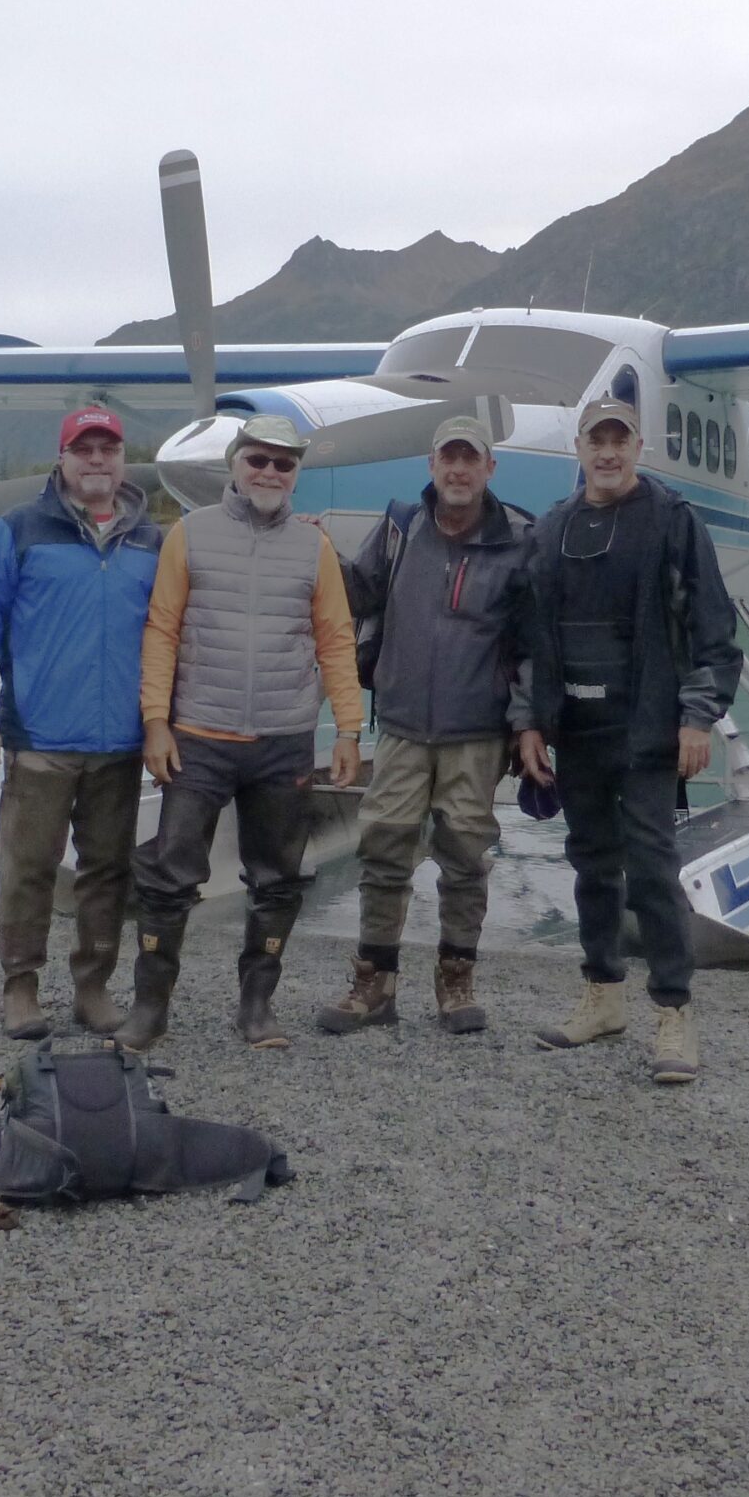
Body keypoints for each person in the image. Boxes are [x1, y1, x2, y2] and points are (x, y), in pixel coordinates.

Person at [120, 414, 362, 1052]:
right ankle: (150, 1007)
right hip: (198, 735)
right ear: (234, 463)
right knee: (170, 876)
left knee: (278, 878)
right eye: (258, 459)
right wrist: (155, 723)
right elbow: (162, 630)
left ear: (296, 475)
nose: (270, 473)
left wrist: (347, 729)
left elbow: (335, 639)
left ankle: (256, 1006)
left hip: (284, 740)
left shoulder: (316, 547)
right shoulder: (190, 535)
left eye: (285, 464)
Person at [519, 397, 742, 1082]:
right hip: (577, 735)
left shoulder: (674, 522)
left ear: (639, 447)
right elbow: (530, 639)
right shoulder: (552, 530)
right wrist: (530, 720)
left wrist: (699, 716)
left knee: (651, 871)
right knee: (590, 865)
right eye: (596, 441)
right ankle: (603, 996)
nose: (608, 453)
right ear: (578, 449)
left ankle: (674, 1014)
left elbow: (713, 630)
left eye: (620, 441)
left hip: (647, 731)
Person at [0, 406, 163, 1040]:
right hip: (39, 740)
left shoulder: (151, 540)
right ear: (62, 459)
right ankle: (21, 987)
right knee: (27, 868)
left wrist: (162, 723)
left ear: (123, 459)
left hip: (120, 743)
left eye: (109, 449)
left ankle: (92, 988)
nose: (97, 460)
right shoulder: (19, 530)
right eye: (84, 449)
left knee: (107, 872)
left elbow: (171, 635)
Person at [315, 413, 534, 1036]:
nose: (459, 469)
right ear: (431, 467)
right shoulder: (400, 528)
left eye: (471, 459)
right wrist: (316, 554)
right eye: (448, 458)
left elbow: (531, 645)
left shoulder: (520, 537)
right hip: (405, 725)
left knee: (466, 856)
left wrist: (528, 725)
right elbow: (356, 592)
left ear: (490, 468)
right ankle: (374, 983)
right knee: (382, 845)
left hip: (477, 731)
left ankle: (456, 980)